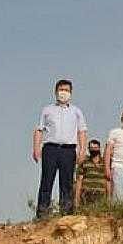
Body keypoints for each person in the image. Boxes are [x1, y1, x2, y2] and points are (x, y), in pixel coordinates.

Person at [33, 79, 88, 218]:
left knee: (67, 182)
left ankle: (66, 212)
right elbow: (39, 129)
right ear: (56, 92)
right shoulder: (47, 110)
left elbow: (82, 131)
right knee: (47, 180)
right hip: (50, 149)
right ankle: (43, 212)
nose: (64, 93)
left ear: (71, 93)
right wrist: (36, 147)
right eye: (61, 90)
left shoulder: (76, 111)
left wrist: (82, 150)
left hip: (68, 150)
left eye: (67, 90)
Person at [75, 139, 110, 207]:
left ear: (99, 148)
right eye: (91, 148)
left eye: (95, 148)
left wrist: (108, 198)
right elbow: (79, 181)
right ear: (89, 149)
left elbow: (108, 181)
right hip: (86, 194)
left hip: (101, 195)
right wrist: (77, 199)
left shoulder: (105, 163)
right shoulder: (84, 162)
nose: (93, 150)